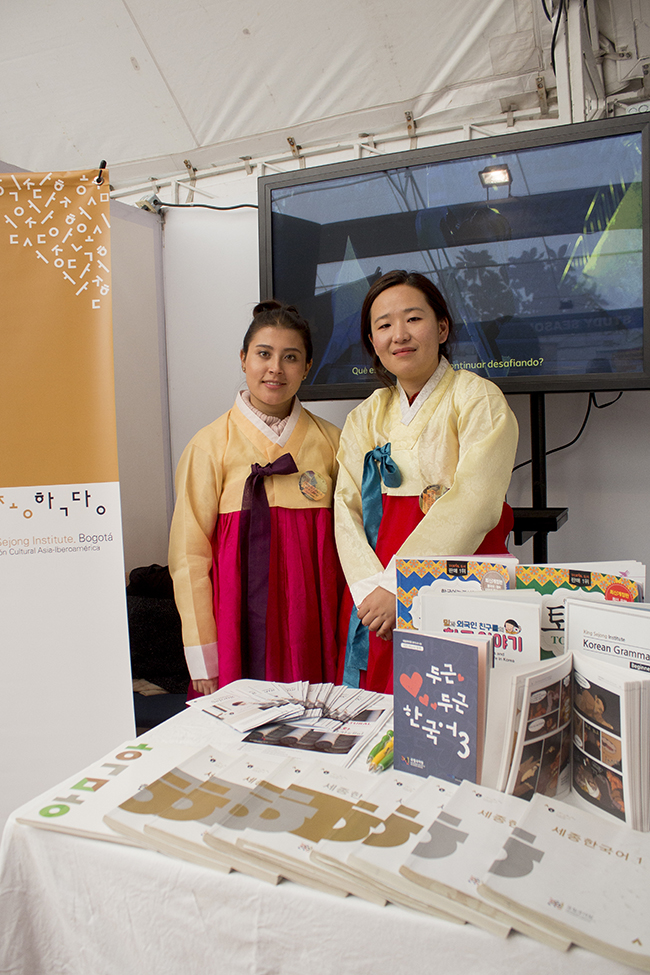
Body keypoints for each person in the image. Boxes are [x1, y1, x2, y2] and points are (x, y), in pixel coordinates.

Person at [334, 270, 519, 693]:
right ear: (372, 342)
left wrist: (402, 585)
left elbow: (474, 503)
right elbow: (346, 508)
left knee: (458, 702)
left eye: (413, 318)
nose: (399, 334)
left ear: (442, 328)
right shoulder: (365, 416)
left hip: (459, 581)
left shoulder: (477, 398)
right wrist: (372, 591)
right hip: (378, 598)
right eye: (384, 325)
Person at [169, 300, 343, 696]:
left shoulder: (333, 443)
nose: (275, 368)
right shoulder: (208, 446)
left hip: (312, 624)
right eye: (264, 354)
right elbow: (188, 557)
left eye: (290, 357)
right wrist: (203, 656)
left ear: (307, 367)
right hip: (235, 627)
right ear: (243, 359)